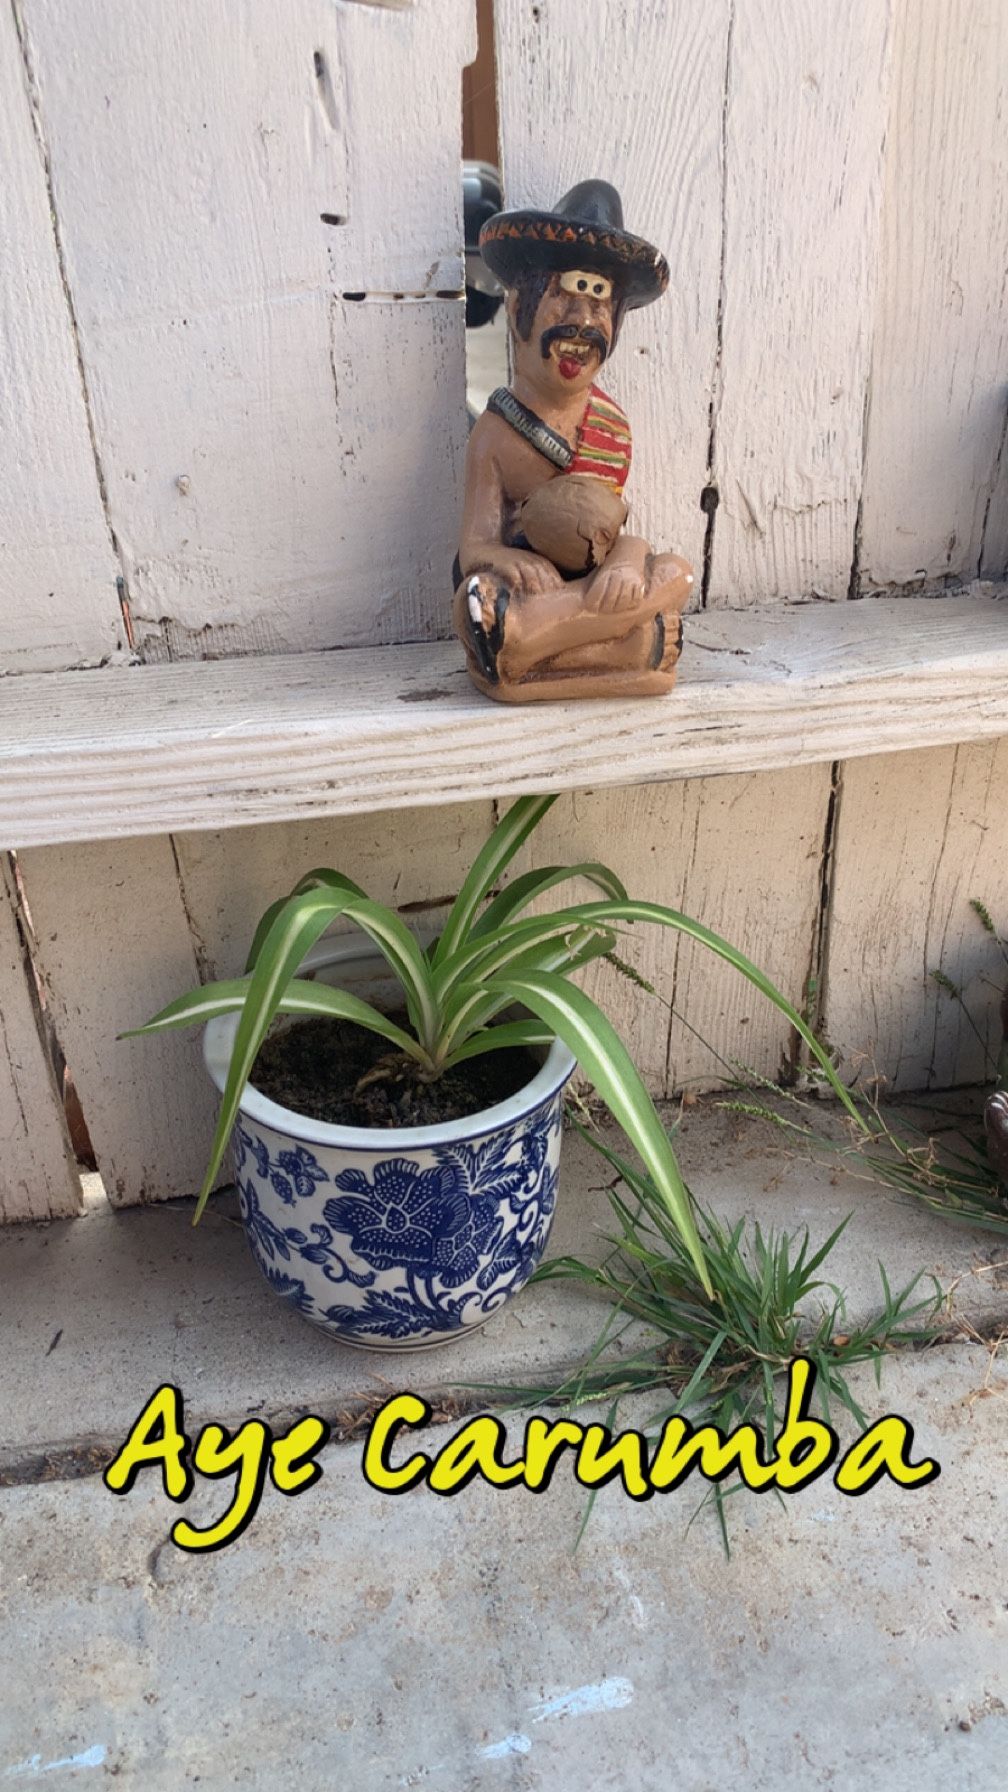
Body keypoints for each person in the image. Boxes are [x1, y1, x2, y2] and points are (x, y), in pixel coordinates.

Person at [454, 180, 693, 703]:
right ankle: (625, 650)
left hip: (578, 594)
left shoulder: (610, 426)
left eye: (600, 301)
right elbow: (473, 547)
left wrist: (628, 561)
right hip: (524, 593)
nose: (583, 321)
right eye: (565, 296)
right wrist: (506, 561)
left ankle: (524, 648)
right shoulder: (495, 435)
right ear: (520, 308)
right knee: (477, 600)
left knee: (674, 573)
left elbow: (613, 531)